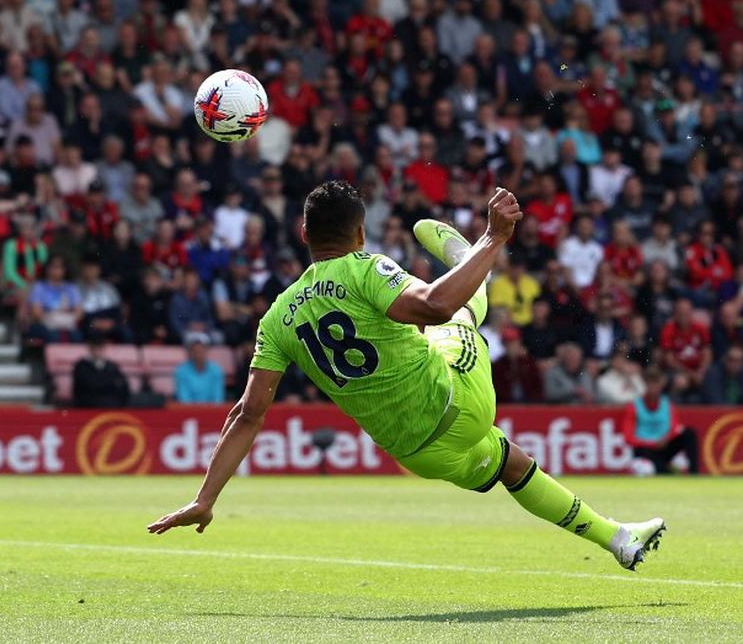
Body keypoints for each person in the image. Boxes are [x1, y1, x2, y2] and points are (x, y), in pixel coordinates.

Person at [149, 181, 664, 573]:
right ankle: (471, 258)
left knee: (512, 463)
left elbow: (248, 413)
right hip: (457, 401)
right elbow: (437, 305)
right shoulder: (365, 268)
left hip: (417, 453)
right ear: (360, 233)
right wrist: (494, 237)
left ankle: (617, 538)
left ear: (303, 233)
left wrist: (206, 497)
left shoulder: (277, 317)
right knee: (460, 315)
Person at [625, 368, 701, 474]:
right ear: (645, 385)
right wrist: (652, 443)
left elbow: (674, 427)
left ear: (661, 385)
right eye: (649, 383)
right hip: (645, 448)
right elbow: (628, 438)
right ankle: (665, 470)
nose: (653, 388)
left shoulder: (667, 404)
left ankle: (694, 473)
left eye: (655, 383)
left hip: (663, 445)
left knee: (689, 433)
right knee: (644, 455)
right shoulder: (634, 406)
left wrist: (666, 439)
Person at [71, 332, 130, 407]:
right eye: (95, 346)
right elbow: (89, 386)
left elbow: (123, 386)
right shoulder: (81, 365)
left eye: (100, 346)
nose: (98, 349)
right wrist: (109, 384)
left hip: (112, 405)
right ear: (90, 347)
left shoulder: (112, 365)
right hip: (89, 406)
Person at [174, 332, 225, 403]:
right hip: (189, 412)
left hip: (212, 411)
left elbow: (218, 398)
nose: (198, 353)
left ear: (207, 350)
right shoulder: (181, 371)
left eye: (201, 350)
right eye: (194, 350)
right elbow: (184, 399)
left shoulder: (216, 370)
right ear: (189, 352)